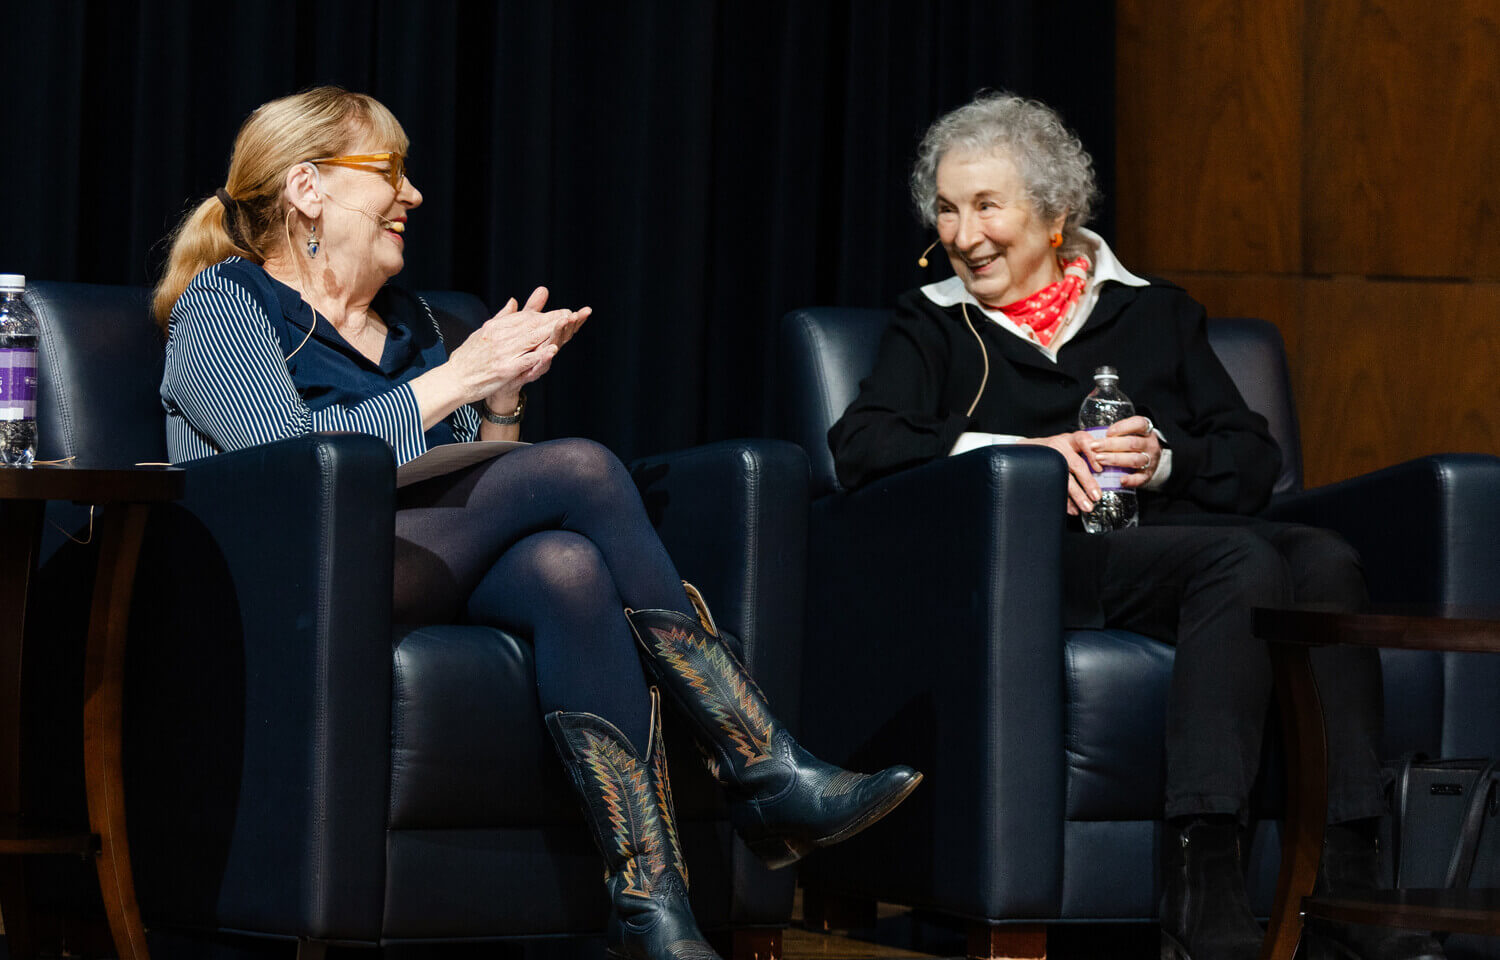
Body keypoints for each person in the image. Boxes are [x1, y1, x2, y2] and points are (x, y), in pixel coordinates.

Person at [154, 86, 921, 960]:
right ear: (307, 188)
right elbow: (287, 466)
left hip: (414, 569)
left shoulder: (410, 325)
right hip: (296, 585)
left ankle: (649, 905)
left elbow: (466, 478)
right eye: (391, 173)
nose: (412, 197)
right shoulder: (224, 303)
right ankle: (758, 762)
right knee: (586, 466)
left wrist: (502, 404)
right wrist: (456, 380)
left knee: (567, 566)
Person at [829, 91, 1439, 960]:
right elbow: (863, 445)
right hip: (1042, 568)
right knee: (1242, 564)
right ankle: (1202, 884)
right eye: (949, 208)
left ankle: (1349, 879)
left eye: (987, 207)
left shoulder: (1154, 312)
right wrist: (1032, 452)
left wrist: (1162, 461)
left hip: (1171, 545)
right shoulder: (933, 322)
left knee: (1326, 560)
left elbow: (1251, 459)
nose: (964, 235)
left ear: (1053, 216)